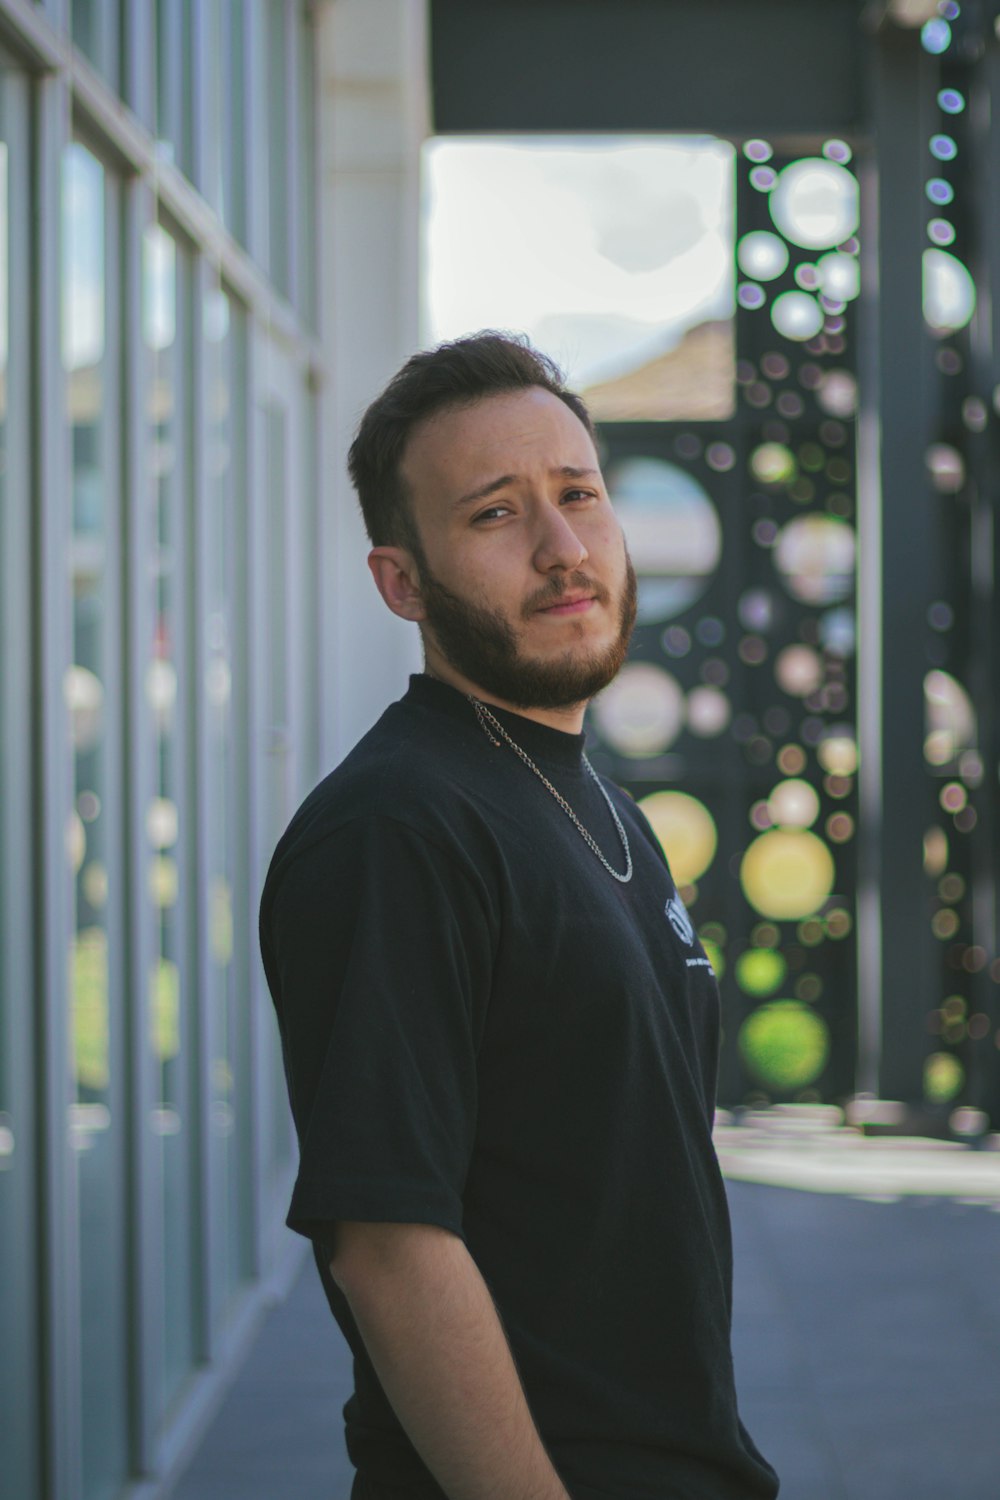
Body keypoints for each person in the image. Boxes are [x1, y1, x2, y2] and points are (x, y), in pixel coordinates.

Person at [258, 332, 780, 1500]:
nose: (562, 549)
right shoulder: (399, 829)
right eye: (495, 515)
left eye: (579, 495)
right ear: (402, 582)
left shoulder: (593, 802)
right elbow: (387, 1244)